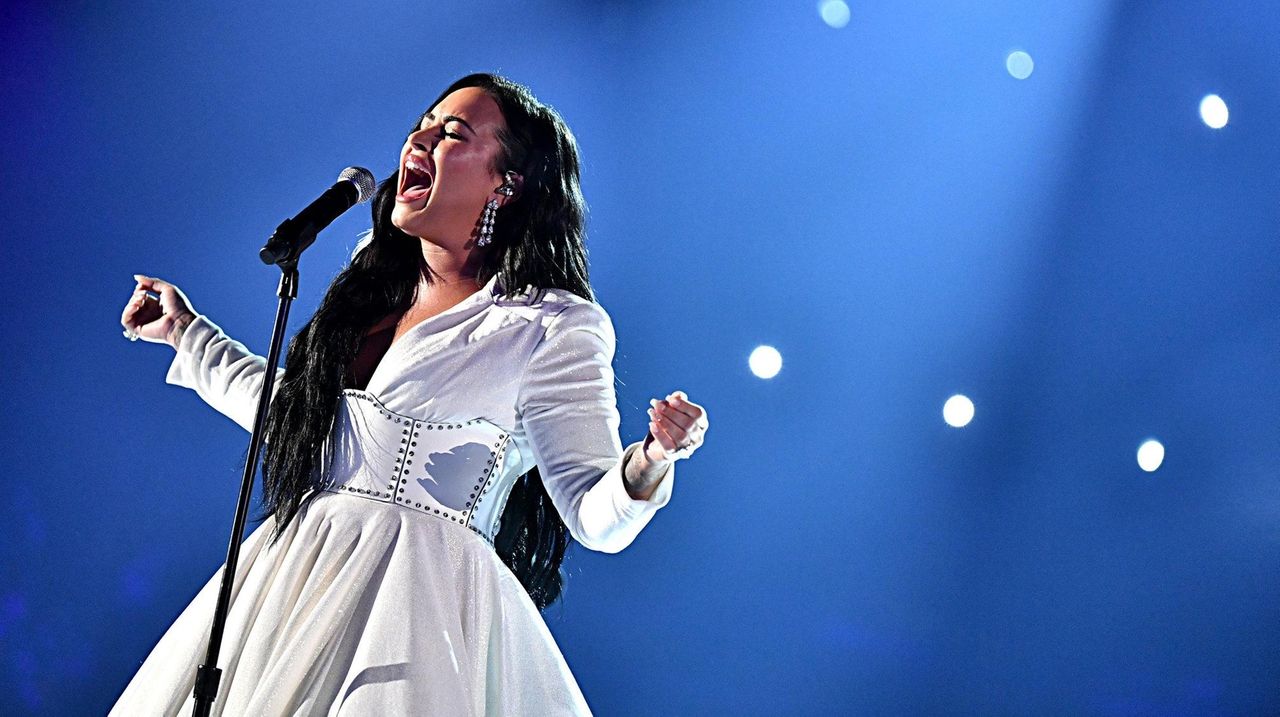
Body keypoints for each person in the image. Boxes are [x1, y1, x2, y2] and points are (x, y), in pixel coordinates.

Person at [112, 73, 707, 716]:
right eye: (419, 124)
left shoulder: (550, 326)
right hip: (292, 585)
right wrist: (185, 332)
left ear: (508, 184)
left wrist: (650, 459)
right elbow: (295, 416)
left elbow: (595, 514)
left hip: (420, 612)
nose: (417, 140)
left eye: (451, 132)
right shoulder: (373, 288)